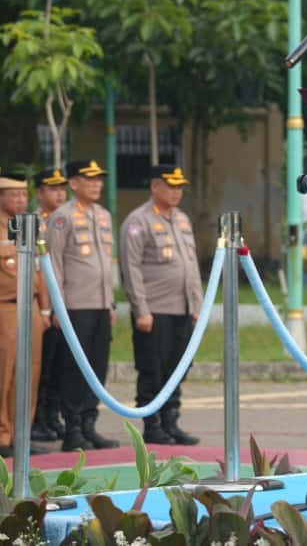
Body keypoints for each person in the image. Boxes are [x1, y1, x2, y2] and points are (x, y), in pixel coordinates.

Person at [119, 165, 203, 446]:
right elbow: (131, 268)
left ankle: (171, 422)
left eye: (180, 187)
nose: (177, 192)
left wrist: (197, 304)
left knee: (177, 367)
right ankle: (152, 424)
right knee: (152, 368)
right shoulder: (138, 221)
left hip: (182, 307)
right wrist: (140, 309)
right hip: (155, 311)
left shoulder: (181, 219)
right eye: (171, 186)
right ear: (155, 187)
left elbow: (191, 265)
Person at [0, 175, 49, 457]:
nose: (20, 201)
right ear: (0, 197)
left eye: (23, 195)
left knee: (30, 373)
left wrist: (45, 308)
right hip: (1, 308)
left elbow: (40, 269)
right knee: (0, 376)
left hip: (30, 308)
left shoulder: (29, 225)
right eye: (13, 195)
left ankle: (22, 435)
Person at [44, 160, 119, 450]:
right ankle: (72, 427)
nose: (96, 184)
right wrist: (56, 307)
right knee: (75, 367)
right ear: (73, 184)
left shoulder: (103, 215)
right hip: (74, 305)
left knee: (98, 365)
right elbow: (55, 263)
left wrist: (110, 303)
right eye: (89, 180)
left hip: (100, 304)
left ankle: (90, 423)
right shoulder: (61, 217)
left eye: (99, 179)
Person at [31, 168, 68, 442]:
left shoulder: (66, 220)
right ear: (40, 193)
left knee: (59, 366)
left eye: (61, 188)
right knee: (41, 367)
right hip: (44, 304)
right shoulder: (35, 223)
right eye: (52, 188)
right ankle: (38, 419)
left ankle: (53, 415)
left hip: (65, 302)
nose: (59, 193)